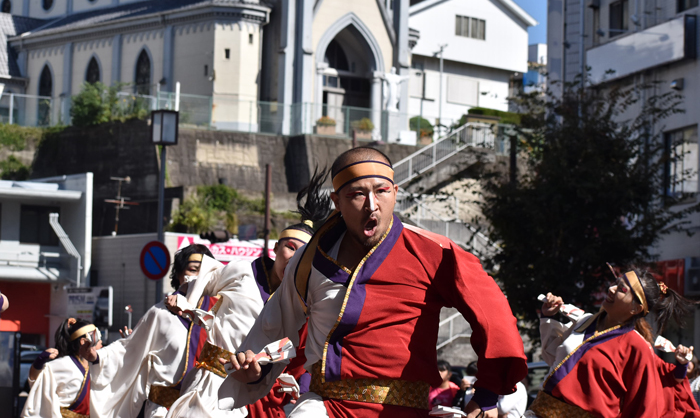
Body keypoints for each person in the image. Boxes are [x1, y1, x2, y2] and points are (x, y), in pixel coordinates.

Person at [219, 147, 527, 418]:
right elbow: (274, 326)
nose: (371, 204)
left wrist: (487, 393)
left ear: (396, 192)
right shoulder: (309, 259)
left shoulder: (434, 253)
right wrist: (253, 367)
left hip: (405, 410)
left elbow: (493, 314)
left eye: (381, 191)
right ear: (336, 201)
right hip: (325, 407)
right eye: (356, 194)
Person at [528, 270, 697, 417]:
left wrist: (681, 365)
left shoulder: (637, 346)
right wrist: (548, 316)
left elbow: (646, 401)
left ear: (635, 308)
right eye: (616, 283)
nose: (611, 289)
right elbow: (554, 360)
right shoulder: (585, 321)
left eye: (622, 289)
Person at [91, 244, 217, 418]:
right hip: (163, 411)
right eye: (193, 270)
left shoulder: (218, 315)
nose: (199, 277)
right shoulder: (159, 314)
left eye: (205, 272)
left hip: (206, 410)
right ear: (179, 274)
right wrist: (98, 358)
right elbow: (129, 350)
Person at [246, 167, 332, 418]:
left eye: (302, 253)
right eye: (289, 248)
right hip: (236, 384)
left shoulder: (310, 304)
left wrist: (301, 390)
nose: (294, 258)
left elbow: (309, 359)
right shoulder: (245, 276)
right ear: (275, 247)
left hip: (284, 400)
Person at [164, 241, 265, 417]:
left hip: (230, 391)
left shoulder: (226, 303)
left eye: (200, 271)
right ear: (179, 273)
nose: (195, 277)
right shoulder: (163, 311)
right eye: (192, 269)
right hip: (188, 391)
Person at [22, 318, 101, 418]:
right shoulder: (64, 364)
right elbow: (36, 382)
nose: (100, 341)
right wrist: (39, 362)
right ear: (83, 341)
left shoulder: (95, 365)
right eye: (96, 336)